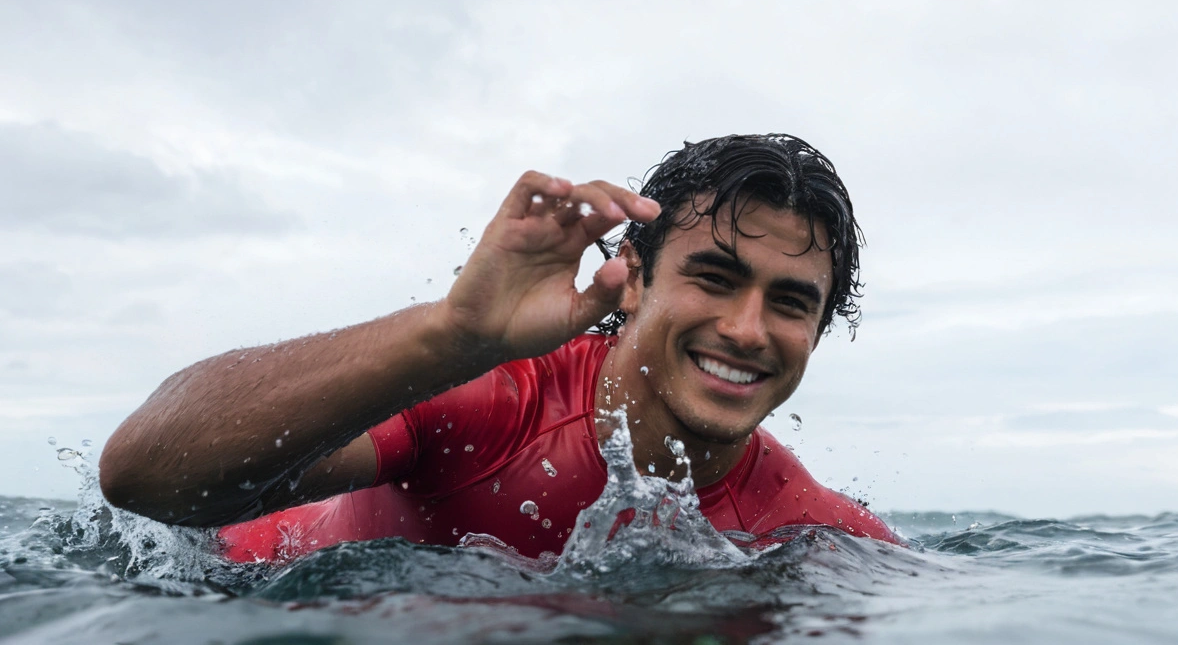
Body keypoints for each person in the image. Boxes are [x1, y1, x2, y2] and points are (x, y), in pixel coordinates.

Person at [99, 134, 899, 562]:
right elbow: (141, 478)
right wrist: (454, 335)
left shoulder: (815, 533)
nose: (748, 329)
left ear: (818, 334)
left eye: (791, 302)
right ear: (632, 282)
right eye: (714, 278)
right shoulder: (495, 402)